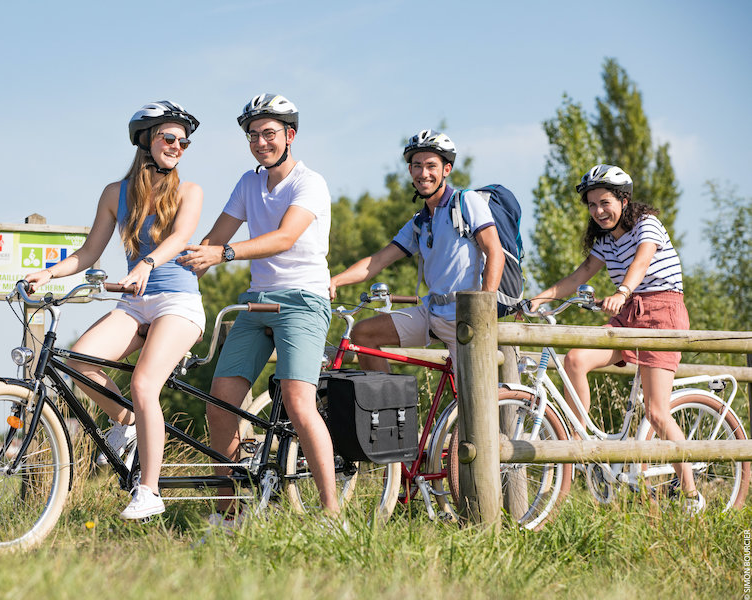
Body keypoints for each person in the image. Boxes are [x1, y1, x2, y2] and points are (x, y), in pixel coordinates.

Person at [25, 101, 205, 520]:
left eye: (184, 141)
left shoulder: (189, 191)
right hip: (134, 302)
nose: (178, 146)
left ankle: (149, 491)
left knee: (145, 384)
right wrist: (48, 274)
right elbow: (89, 252)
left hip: (178, 301)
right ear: (146, 139)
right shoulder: (115, 194)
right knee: (78, 361)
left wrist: (146, 263)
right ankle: (125, 424)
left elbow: (180, 239)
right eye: (169, 138)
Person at [180, 93, 337, 524]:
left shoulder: (311, 183)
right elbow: (215, 238)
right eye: (253, 135)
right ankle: (230, 515)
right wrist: (174, 278)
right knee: (220, 404)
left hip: (303, 300)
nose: (260, 142)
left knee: (300, 403)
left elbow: (284, 238)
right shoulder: (249, 184)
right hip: (257, 303)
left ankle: (331, 515)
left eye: (269, 134)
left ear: (290, 135)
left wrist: (225, 255)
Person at [529, 164, 702, 514]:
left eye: (605, 202)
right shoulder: (605, 242)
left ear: (624, 200)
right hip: (628, 313)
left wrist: (622, 290)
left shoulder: (647, 225)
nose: (598, 211)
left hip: (661, 313)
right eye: (592, 205)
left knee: (656, 412)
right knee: (575, 359)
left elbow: (641, 262)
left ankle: (691, 494)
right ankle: (577, 443)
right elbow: (580, 275)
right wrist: (539, 299)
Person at [330, 129, 504, 371]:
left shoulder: (466, 202)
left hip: (466, 316)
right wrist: (335, 281)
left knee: (476, 402)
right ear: (410, 171)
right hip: (431, 312)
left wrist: (483, 309)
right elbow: (377, 262)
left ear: (447, 169)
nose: (424, 173)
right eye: (417, 166)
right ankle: (385, 407)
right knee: (364, 334)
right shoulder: (419, 222)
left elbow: (495, 252)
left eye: (431, 166)